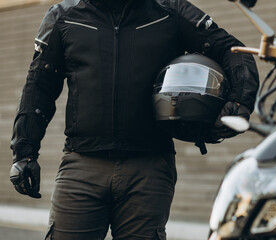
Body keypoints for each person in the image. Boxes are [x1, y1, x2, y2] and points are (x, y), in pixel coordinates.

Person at [9, 0, 259, 239]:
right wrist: (24, 152)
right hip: (81, 167)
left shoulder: (169, 10)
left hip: (149, 169)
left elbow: (233, 50)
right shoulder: (64, 16)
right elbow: (39, 86)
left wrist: (239, 102)